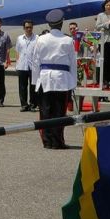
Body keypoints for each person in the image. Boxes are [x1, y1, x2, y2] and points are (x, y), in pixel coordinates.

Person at [34, 9, 76, 149]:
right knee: (59, 111)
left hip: (45, 78)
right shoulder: (68, 40)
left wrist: (35, 82)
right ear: (62, 23)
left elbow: (36, 62)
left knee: (45, 111)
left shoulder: (40, 39)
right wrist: (73, 83)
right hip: (62, 79)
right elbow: (72, 64)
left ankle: (47, 141)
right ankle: (58, 141)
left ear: (49, 24)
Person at [14, 20, 38, 111]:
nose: (29, 29)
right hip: (22, 66)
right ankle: (24, 105)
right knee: (22, 87)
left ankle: (33, 105)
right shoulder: (20, 38)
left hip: (33, 66)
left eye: (30, 27)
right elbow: (17, 50)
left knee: (33, 86)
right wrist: (17, 63)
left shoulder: (37, 38)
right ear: (24, 28)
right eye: (27, 27)